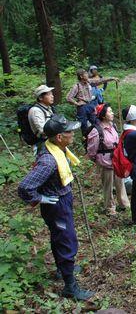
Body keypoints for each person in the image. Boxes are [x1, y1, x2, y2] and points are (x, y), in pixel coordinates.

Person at [18, 114, 94, 300]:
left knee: (59, 237)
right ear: (59, 137)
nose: (73, 135)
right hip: (56, 205)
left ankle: (62, 268)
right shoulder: (49, 161)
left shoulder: (56, 149)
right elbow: (25, 187)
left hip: (61, 201)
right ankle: (70, 285)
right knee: (67, 241)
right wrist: (40, 198)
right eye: (69, 132)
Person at [86, 103, 130, 215]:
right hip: (105, 162)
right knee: (108, 185)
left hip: (116, 159)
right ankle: (110, 208)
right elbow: (92, 149)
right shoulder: (96, 131)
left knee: (120, 182)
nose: (112, 113)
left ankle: (124, 204)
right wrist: (97, 160)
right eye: (110, 111)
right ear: (103, 115)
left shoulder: (113, 126)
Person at [66, 69, 118, 135]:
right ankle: (85, 140)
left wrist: (112, 78)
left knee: (96, 121)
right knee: (84, 125)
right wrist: (76, 103)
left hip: (90, 105)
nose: (87, 75)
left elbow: (100, 81)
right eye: (85, 74)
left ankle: (99, 136)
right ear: (81, 76)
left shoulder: (89, 82)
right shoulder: (77, 86)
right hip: (82, 107)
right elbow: (68, 97)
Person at [28, 84, 56, 153]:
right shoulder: (35, 111)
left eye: (51, 94)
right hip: (42, 144)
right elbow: (42, 130)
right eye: (49, 94)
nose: (52, 96)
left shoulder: (48, 108)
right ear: (40, 98)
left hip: (51, 142)